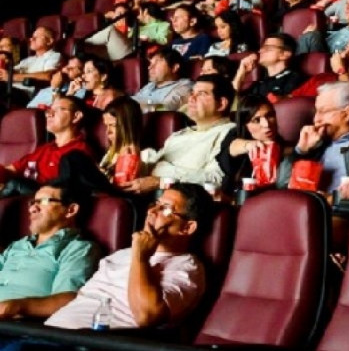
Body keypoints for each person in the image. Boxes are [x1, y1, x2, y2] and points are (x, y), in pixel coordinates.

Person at [45, 184, 213, 330]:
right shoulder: (121, 255)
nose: (152, 211)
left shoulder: (187, 267)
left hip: (98, 341)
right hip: (51, 332)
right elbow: (82, 299)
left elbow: (147, 316)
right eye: (156, 204)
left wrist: (141, 257)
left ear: (187, 227)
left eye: (165, 208)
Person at [0, 181, 100, 319]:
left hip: (19, 325)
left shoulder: (78, 248)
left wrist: (17, 306)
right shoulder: (17, 246)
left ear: (70, 210)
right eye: (32, 203)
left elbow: (68, 299)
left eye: (43, 201)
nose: (32, 209)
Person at [125, 75, 238, 193]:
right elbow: (154, 166)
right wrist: (134, 161)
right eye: (192, 93)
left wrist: (163, 180)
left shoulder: (228, 133)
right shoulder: (179, 134)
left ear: (221, 104)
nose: (191, 98)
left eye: (201, 94)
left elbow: (215, 180)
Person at [280, 80, 349, 201]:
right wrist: (300, 152)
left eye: (323, 112)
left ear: (347, 114)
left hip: (339, 211)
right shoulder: (316, 141)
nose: (316, 119)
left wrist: (332, 200)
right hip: (305, 207)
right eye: (316, 111)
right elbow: (282, 185)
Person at [2, 95, 91, 188]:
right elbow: (11, 169)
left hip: (44, 195)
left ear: (76, 116)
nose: (48, 114)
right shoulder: (44, 149)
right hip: (19, 192)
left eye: (57, 110)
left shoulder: (80, 152)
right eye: (49, 110)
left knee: (14, 184)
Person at [218, 97, 283, 192]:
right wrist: (249, 145)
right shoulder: (235, 135)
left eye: (270, 116)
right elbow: (231, 148)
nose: (266, 124)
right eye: (256, 120)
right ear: (245, 125)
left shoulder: (283, 145)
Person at [233, 33, 305, 100]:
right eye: (262, 47)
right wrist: (241, 73)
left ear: (285, 54)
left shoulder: (294, 79)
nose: (260, 51)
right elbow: (234, 103)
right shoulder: (260, 83)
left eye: (267, 47)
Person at [1, 28, 63, 100]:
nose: (31, 39)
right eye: (32, 37)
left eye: (36, 37)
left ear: (49, 41)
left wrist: (12, 77)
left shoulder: (54, 55)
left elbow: (48, 76)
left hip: (25, 93)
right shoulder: (27, 60)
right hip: (9, 89)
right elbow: (11, 73)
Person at [98, 98, 143, 184]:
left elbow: (124, 184)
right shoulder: (110, 154)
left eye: (112, 125)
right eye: (106, 126)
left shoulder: (145, 155)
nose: (108, 132)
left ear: (127, 126)